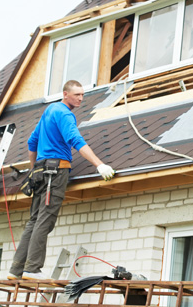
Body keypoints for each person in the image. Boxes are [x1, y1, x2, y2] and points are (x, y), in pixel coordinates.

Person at [7, 80, 116, 281]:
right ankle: (32, 269)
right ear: (65, 94)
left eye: (83, 95)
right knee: (45, 219)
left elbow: (32, 142)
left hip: (41, 170)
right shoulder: (65, 114)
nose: (81, 98)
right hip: (55, 172)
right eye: (77, 95)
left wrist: (34, 170)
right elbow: (75, 140)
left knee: (34, 220)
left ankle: (16, 270)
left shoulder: (49, 111)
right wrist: (99, 164)